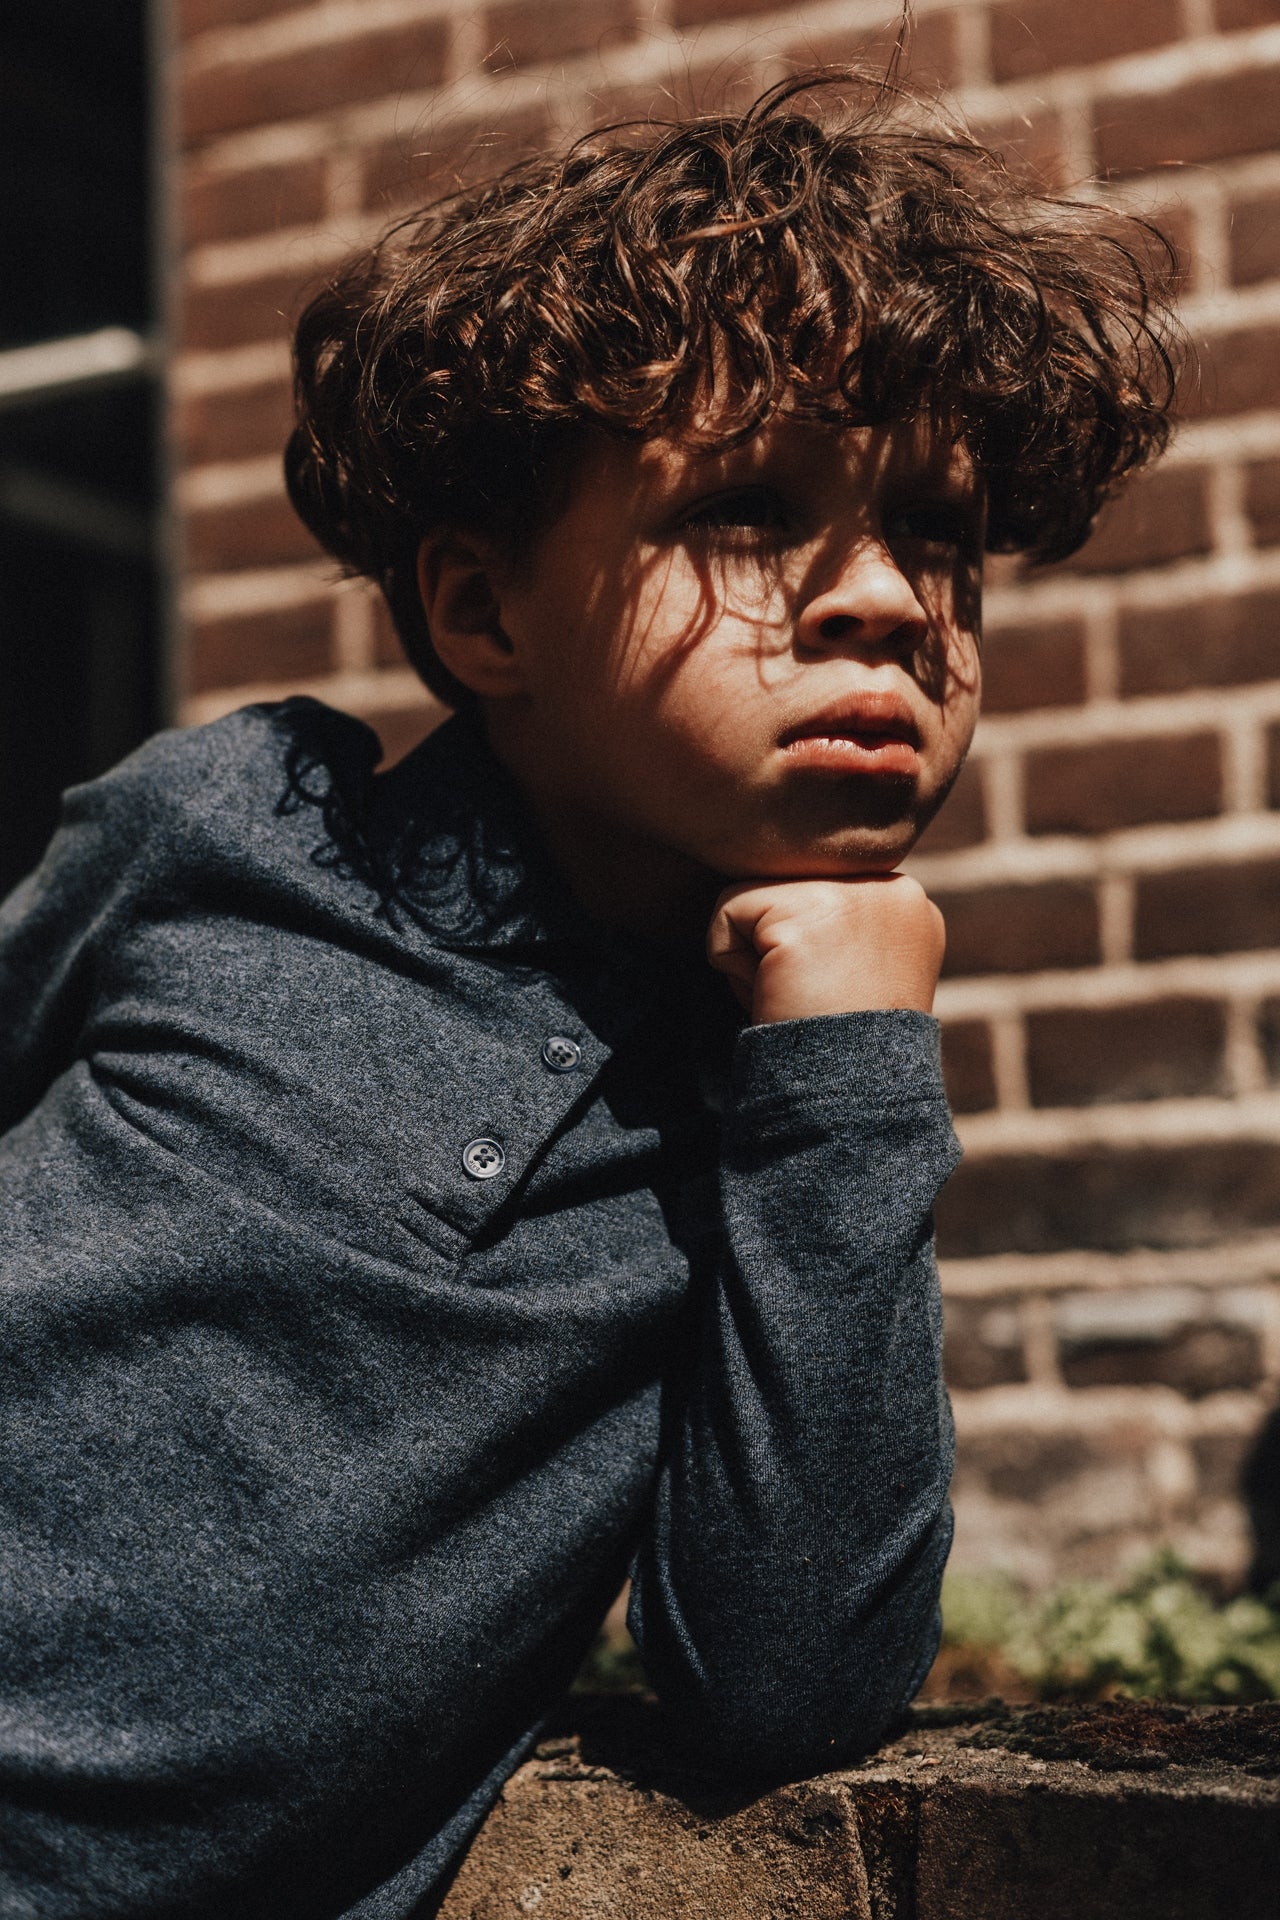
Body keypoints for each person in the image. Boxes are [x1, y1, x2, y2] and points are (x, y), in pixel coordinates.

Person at [0, 73, 1175, 1920]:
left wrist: (847, 1065)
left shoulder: (780, 1129)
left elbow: (788, 1684)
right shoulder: (235, 823)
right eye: (749, 513)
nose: (885, 599)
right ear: (485, 616)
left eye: (938, 533)